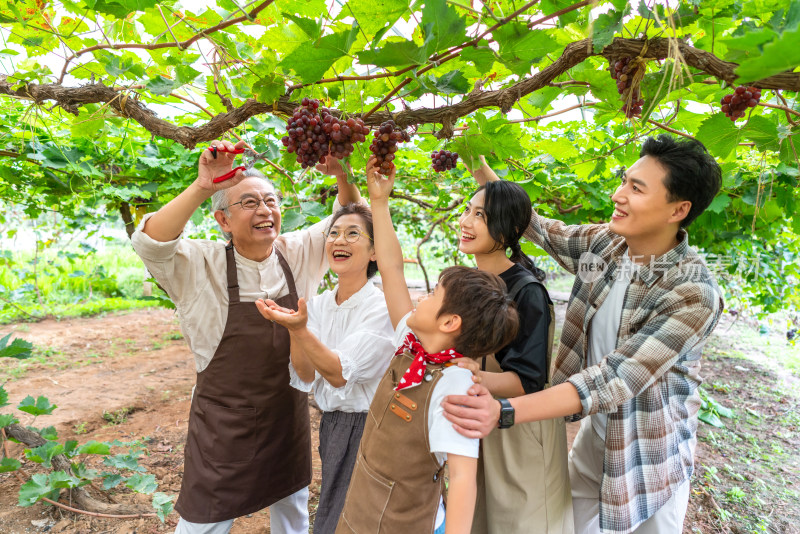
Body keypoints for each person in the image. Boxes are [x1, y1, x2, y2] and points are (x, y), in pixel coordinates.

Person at [442, 135, 725, 534]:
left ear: (678, 209)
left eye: (636, 188)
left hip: (646, 461)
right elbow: (535, 226)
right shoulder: (606, 246)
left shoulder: (692, 293)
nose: (618, 194)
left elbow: (614, 378)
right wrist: (473, 156)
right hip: (593, 440)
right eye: (624, 181)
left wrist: (503, 411)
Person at [130, 139, 360, 534]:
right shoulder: (199, 264)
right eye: (249, 203)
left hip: (286, 417)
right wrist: (204, 185)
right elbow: (150, 242)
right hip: (225, 425)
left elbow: (352, 217)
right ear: (222, 220)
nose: (265, 210)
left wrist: (343, 174)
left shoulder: (295, 252)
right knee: (203, 520)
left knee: (293, 512)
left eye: (271, 201)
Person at [334, 156, 520, 534]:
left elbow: (463, 478)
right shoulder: (412, 343)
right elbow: (391, 269)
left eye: (433, 294)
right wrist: (379, 202)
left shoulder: (453, 384)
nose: (421, 298)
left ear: (450, 322)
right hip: (360, 514)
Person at [255, 202, 395, 534]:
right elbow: (305, 374)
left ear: (375, 251)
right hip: (333, 427)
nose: (338, 241)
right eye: (333, 233)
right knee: (336, 513)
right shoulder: (316, 305)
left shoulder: (381, 307)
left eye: (352, 234)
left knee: (355, 521)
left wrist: (300, 330)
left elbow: (339, 373)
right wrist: (294, 328)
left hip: (371, 429)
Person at [454, 179, 573, 534]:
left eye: (481, 216)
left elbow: (528, 380)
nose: (466, 221)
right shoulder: (469, 281)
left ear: (508, 231)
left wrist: (470, 374)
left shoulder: (527, 291)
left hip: (518, 430)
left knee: (520, 522)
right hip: (479, 423)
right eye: (467, 210)